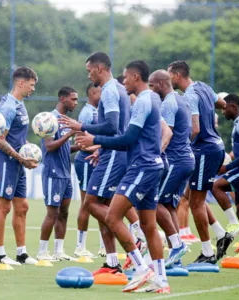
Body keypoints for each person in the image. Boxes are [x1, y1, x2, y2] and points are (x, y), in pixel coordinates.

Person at [76, 60, 170, 293]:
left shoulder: (142, 102)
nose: (123, 81)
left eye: (126, 78)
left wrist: (94, 140)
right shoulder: (153, 98)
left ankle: (141, 269)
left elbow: (127, 139)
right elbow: (138, 138)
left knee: (112, 217)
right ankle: (161, 280)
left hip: (142, 167)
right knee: (148, 226)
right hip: (152, 165)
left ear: (136, 77)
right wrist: (102, 148)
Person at [60, 52, 143, 275]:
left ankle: (138, 242)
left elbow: (113, 126)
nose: (88, 76)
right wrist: (101, 147)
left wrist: (82, 127)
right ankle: (112, 263)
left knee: (93, 205)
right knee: (102, 205)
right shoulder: (116, 88)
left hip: (115, 155)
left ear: (98, 68)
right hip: (112, 152)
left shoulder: (108, 91)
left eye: (89, 71)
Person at [167, 60, 231, 263]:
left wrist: (182, 147)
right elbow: (223, 104)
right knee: (193, 196)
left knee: (195, 203)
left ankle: (208, 253)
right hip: (215, 146)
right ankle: (221, 234)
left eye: (169, 76)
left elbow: (194, 129)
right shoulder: (203, 86)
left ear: (177, 76)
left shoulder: (190, 95)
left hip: (204, 150)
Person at [0, 67, 39, 265]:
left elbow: (16, 136)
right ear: (21, 83)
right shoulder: (9, 107)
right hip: (6, 162)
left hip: (18, 162)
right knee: (4, 207)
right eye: (31, 84)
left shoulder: (19, 104)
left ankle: (21, 253)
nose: (33, 89)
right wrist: (21, 158)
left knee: (23, 206)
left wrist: (28, 148)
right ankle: (0, 254)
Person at [148, 70, 194, 267]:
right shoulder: (182, 100)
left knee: (154, 201)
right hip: (186, 159)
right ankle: (176, 257)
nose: (150, 89)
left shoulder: (168, 102)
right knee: (168, 206)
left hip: (175, 160)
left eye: (151, 85)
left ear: (160, 84)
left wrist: (154, 154)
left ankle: (176, 246)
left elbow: (167, 133)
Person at [37, 86, 78, 261]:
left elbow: (64, 148)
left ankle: (58, 251)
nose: (76, 103)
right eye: (73, 99)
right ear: (63, 99)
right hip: (53, 172)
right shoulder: (50, 119)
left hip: (66, 173)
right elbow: (49, 146)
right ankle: (42, 252)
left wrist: (81, 147)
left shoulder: (66, 120)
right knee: (52, 213)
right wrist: (70, 134)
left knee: (64, 212)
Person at [212, 94, 239, 262]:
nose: (223, 112)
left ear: (234, 107)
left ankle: (232, 223)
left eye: (224, 108)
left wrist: (226, 168)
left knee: (216, 186)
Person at [73, 83, 101, 258]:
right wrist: (101, 149)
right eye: (100, 92)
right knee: (87, 203)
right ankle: (80, 246)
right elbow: (80, 141)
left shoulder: (100, 111)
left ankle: (104, 246)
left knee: (101, 203)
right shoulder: (86, 113)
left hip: (98, 160)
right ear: (91, 93)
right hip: (85, 161)